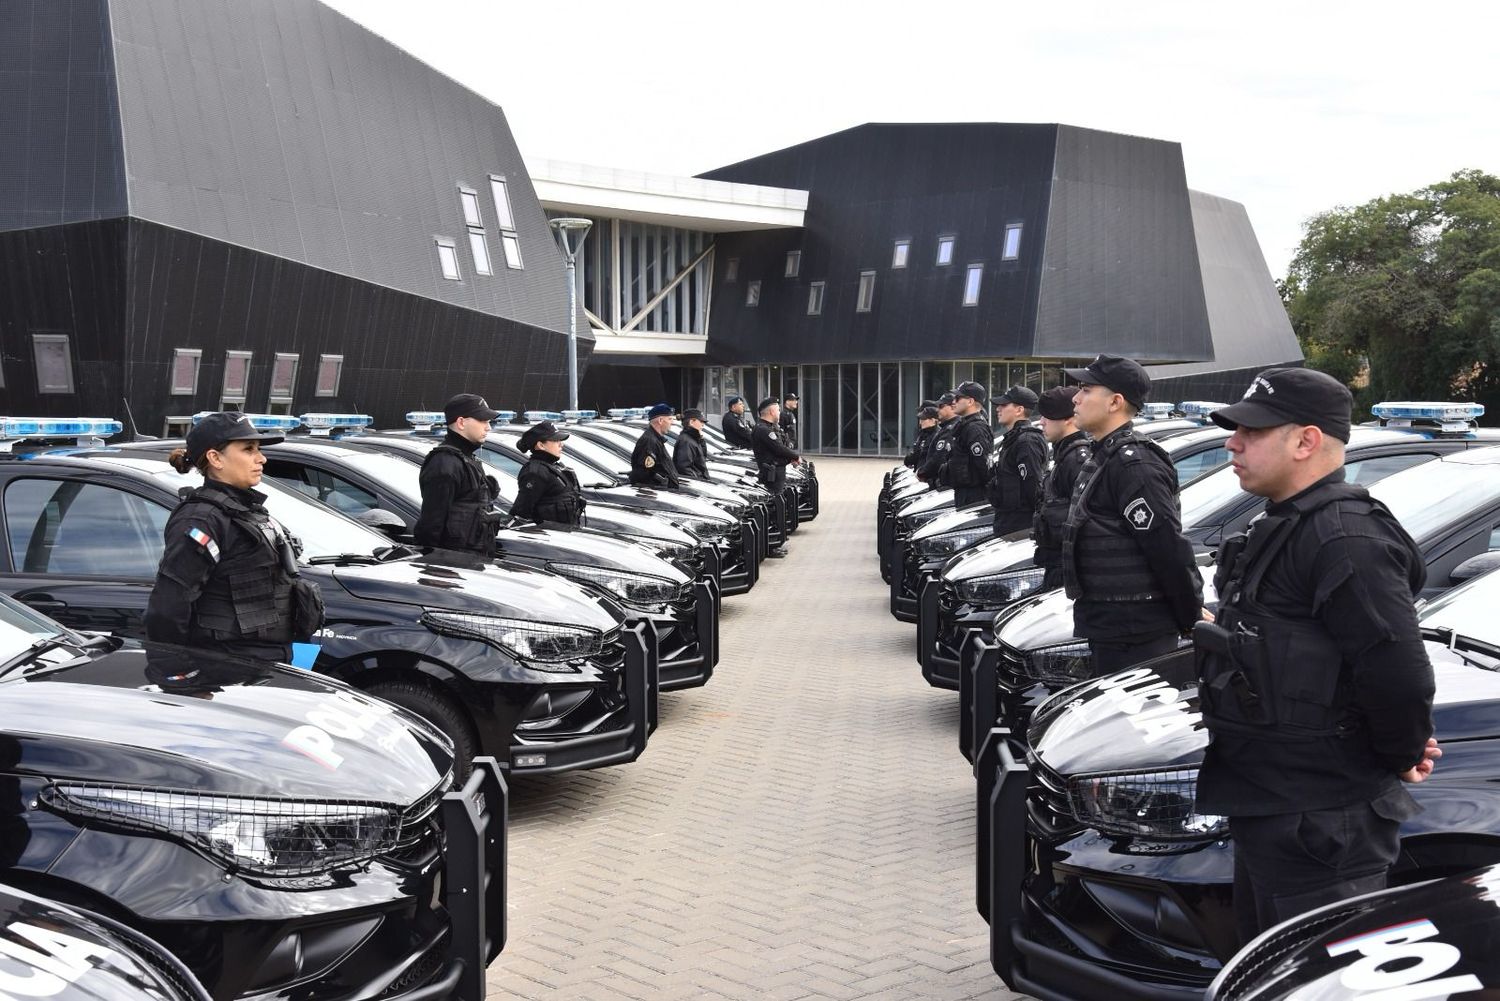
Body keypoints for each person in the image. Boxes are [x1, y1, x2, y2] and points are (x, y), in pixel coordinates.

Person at [1194, 368, 1440, 940]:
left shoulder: (1346, 536)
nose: (1233, 442)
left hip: (1324, 821)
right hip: (1273, 803)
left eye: (1251, 432)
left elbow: (1398, 674)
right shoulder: (1284, 523)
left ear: (1305, 441)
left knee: (1325, 974)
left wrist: (1401, 752)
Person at [1061, 355, 1203, 672]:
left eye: (1085, 389)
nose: (1075, 397)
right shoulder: (1106, 455)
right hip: (1114, 629)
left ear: (1115, 402)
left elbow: (1167, 546)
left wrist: (1190, 614)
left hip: (1136, 634)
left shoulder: (1134, 464)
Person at [145, 412, 324, 663]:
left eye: (258, 449)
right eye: (248, 449)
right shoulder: (202, 519)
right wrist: (181, 677)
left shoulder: (248, 510)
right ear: (215, 458)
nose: (261, 458)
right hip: (226, 671)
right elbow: (168, 608)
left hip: (264, 664)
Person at [415, 393, 503, 554]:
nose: (488, 427)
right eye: (483, 420)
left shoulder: (466, 459)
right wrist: (436, 572)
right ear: (461, 422)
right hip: (453, 569)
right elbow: (431, 527)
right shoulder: (444, 463)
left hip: (472, 564)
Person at [1033, 387, 1091, 590]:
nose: (1041, 421)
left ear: (1069, 419)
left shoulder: (1076, 460)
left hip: (1067, 567)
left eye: (1048, 416)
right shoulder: (1063, 455)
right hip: (1055, 561)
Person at [987, 385, 1048, 538]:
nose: (998, 409)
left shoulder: (1026, 441)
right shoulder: (1014, 438)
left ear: (1019, 410)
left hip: (1020, 524)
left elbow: (1033, 487)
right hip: (1008, 521)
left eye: (1004, 405)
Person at [751, 397, 801, 559]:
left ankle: (773, 543)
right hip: (771, 476)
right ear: (772, 411)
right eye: (778, 409)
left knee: (776, 509)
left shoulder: (771, 427)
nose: (779, 412)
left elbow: (782, 445)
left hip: (777, 473)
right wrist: (795, 456)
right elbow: (778, 448)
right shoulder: (763, 430)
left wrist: (790, 457)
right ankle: (770, 546)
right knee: (772, 511)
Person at [511, 419, 585, 526]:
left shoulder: (553, 467)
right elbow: (521, 512)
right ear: (541, 445)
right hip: (548, 538)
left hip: (564, 535)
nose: (561, 445)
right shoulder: (535, 472)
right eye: (556, 440)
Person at [946, 381, 993, 509]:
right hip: (965, 492)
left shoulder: (975, 428)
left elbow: (984, 466)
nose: (953, 401)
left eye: (958, 398)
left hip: (974, 495)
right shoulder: (966, 425)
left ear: (970, 401)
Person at [630, 403, 681, 489]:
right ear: (660, 420)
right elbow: (645, 474)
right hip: (657, 494)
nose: (671, 423)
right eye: (669, 419)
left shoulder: (655, 440)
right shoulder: (649, 441)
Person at [916, 393, 958, 486]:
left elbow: (939, 458)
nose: (938, 409)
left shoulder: (952, 428)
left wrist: (922, 472)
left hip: (942, 482)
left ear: (952, 407)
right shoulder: (946, 427)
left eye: (941, 406)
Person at [674, 408, 712, 480]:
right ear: (691, 422)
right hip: (696, 483)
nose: (703, 424)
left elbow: (702, 459)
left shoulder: (693, 438)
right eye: (701, 421)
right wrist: (698, 480)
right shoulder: (686, 441)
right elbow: (684, 468)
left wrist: (701, 439)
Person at [904, 404, 939, 470]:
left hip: (927, 474)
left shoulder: (937, 435)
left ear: (933, 420)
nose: (920, 423)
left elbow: (931, 457)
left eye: (923, 420)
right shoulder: (924, 433)